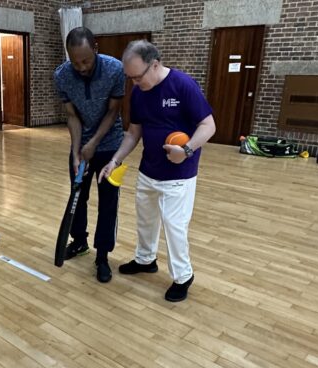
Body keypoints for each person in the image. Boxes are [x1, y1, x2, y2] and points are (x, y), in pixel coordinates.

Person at [99, 40, 216, 301]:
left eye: (137, 76)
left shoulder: (182, 85)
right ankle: (145, 260)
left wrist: (186, 150)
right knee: (146, 221)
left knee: (174, 227)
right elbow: (134, 132)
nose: (133, 83)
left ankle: (183, 276)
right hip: (148, 170)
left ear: (155, 65)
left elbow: (208, 125)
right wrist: (115, 160)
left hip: (179, 174)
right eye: (129, 78)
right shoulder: (139, 92)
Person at [53, 27, 125, 283]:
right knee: (77, 196)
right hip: (81, 146)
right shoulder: (62, 75)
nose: (81, 67)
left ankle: (103, 255)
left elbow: (113, 111)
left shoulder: (115, 69)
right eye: (75, 62)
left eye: (86, 60)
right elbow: (72, 116)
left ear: (95, 49)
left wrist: (94, 143)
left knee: (108, 202)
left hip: (110, 145)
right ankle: (79, 241)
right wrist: (76, 153)